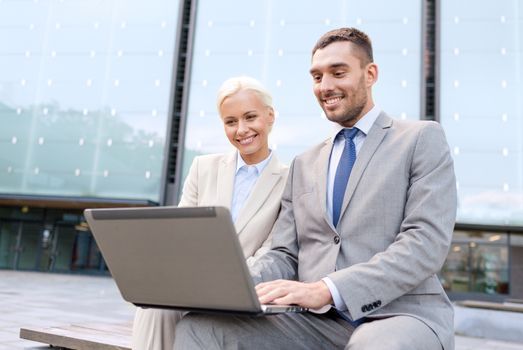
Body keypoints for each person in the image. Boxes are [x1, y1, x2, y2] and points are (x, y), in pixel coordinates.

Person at [173, 27, 457, 350]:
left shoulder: (421, 139)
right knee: (199, 327)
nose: (326, 86)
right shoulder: (303, 164)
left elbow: (425, 245)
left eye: (338, 73)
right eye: (317, 77)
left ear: (370, 74)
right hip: (315, 322)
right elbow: (283, 253)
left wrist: (327, 288)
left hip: (400, 316)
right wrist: (230, 284)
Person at [132, 76, 289, 350]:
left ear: (270, 116)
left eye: (250, 117)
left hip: (248, 292)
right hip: (192, 284)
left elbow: (275, 250)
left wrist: (224, 283)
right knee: (154, 307)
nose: (241, 130)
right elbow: (180, 237)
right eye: (230, 122)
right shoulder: (203, 168)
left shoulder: (291, 179)